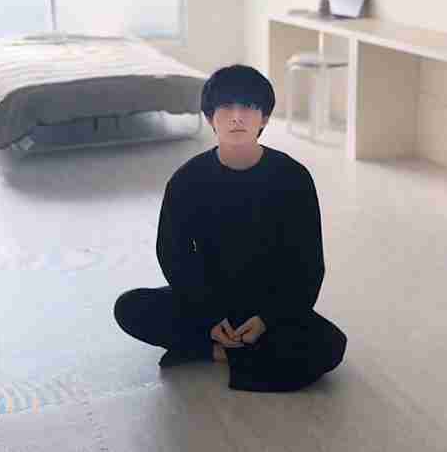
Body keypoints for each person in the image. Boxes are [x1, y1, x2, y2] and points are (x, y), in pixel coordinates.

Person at [114, 64, 347, 392]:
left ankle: (211, 351)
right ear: (210, 117)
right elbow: (173, 256)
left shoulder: (293, 177)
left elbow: (309, 265)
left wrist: (267, 318)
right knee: (129, 307)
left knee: (331, 345)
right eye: (226, 106)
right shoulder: (186, 180)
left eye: (248, 106)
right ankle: (235, 351)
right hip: (209, 298)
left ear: (264, 118)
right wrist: (210, 316)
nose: (237, 117)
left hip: (269, 301)